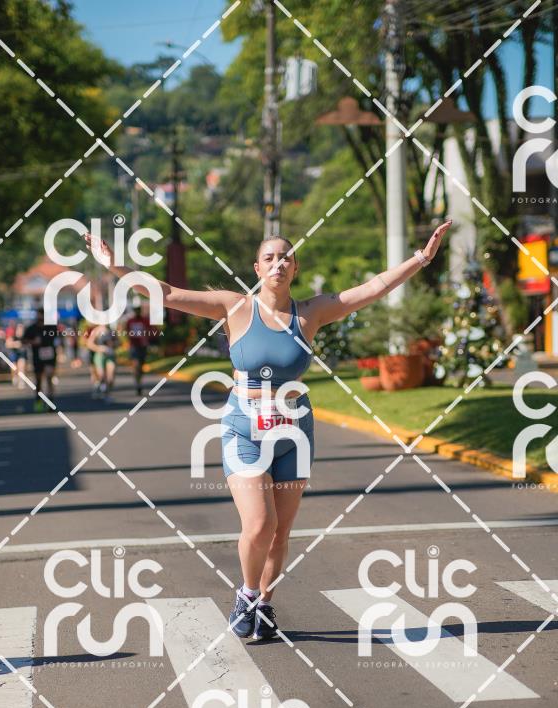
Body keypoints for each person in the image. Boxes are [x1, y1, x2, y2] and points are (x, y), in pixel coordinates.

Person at [84, 220, 452, 640]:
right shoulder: (234, 307)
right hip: (244, 430)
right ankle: (246, 594)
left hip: (294, 434)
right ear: (257, 268)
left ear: (295, 268)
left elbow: (372, 289)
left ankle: (264, 605)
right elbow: (164, 293)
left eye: (286, 258)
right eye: (270, 258)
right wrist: (114, 265)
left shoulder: (310, 312)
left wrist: (421, 258)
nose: (279, 263)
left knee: (280, 532)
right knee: (260, 523)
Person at [23, 308, 57, 412]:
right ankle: (38, 401)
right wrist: (33, 342)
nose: (41, 318)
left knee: (49, 377)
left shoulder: (51, 327)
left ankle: (50, 401)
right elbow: (24, 340)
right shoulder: (31, 328)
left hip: (50, 356)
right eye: (39, 316)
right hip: (37, 357)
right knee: (38, 380)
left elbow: (57, 338)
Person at [126, 297, 152, 395]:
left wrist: (146, 337)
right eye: (136, 309)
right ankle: (138, 384)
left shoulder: (145, 320)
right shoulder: (130, 321)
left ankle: (139, 380)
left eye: (138, 309)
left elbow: (150, 331)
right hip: (134, 346)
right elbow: (127, 332)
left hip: (143, 346)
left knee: (141, 366)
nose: (137, 311)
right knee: (136, 364)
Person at [86, 322, 119, 402]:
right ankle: (98, 387)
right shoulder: (97, 330)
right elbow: (89, 344)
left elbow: (118, 342)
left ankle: (107, 394)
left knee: (111, 377)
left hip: (110, 355)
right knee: (101, 375)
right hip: (100, 356)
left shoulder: (112, 331)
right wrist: (99, 348)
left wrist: (113, 344)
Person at [5, 321, 27, 388]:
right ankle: (14, 378)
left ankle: (21, 381)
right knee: (14, 368)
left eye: (22, 329)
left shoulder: (25, 336)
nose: (20, 330)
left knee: (21, 366)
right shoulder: (12, 335)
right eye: (19, 328)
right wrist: (15, 344)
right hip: (13, 353)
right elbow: (7, 344)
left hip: (22, 354)